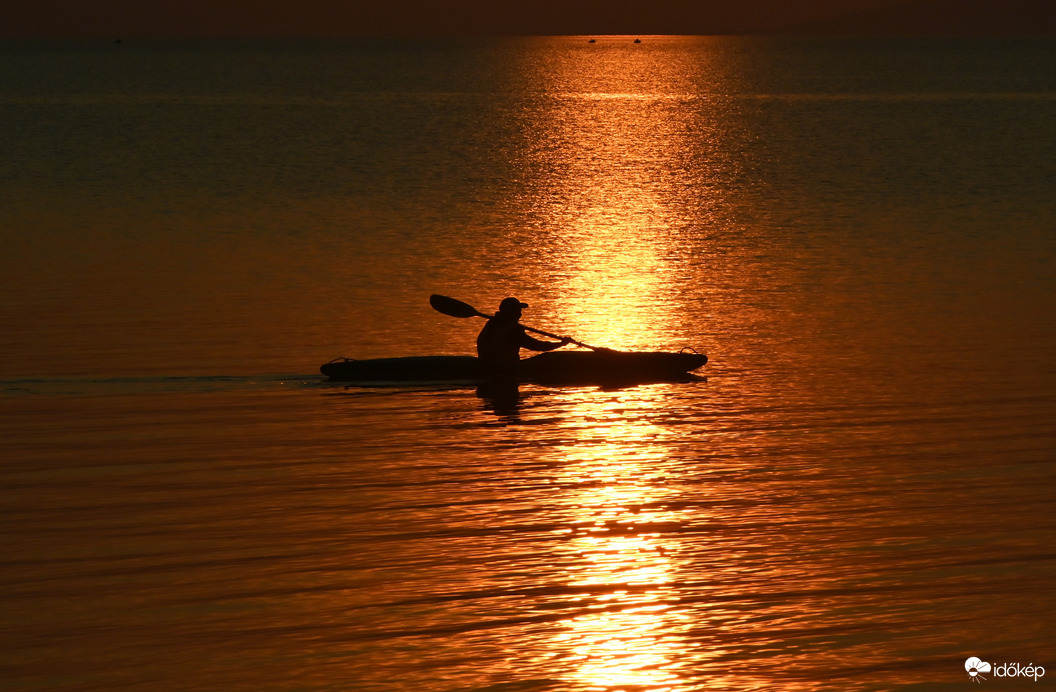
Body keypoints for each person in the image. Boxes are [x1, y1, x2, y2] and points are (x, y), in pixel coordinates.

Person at [476, 297, 570, 366]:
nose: (520, 314)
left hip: (486, 364)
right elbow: (537, 345)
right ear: (513, 313)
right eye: (518, 311)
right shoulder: (513, 330)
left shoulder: (491, 323)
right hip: (505, 367)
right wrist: (561, 344)